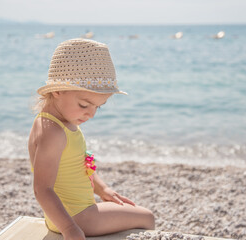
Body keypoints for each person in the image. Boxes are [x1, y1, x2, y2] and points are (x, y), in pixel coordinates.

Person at [28, 38, 155, 240]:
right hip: (75, 217)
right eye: (85, 105)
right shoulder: (52, 132)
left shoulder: (58, 122)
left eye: (98, 107)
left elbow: (76, 165)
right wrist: (70, 229)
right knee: (147, 218)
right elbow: (42, 189)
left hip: (71, 214)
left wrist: (103, 188)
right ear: (58, 90)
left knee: (132, 213)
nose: (91, 114)